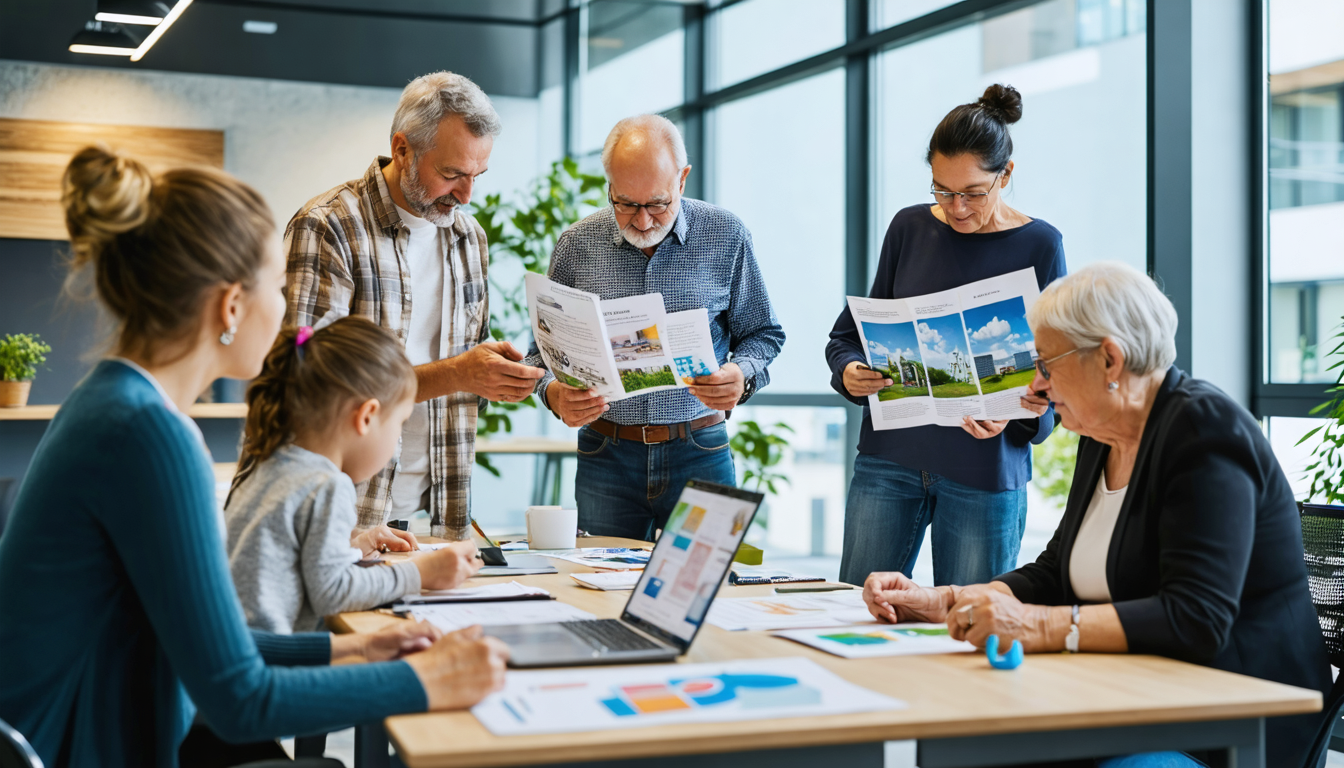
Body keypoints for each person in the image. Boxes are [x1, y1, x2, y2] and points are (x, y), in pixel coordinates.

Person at [0, 146, 509, 767]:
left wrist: (354, 649)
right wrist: (426, 681)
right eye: (277, 286)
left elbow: (216, 643)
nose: (287, 311)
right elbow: (237, 699)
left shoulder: (113, 401)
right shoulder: (149, 435)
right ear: (231, 306)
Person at [862, 263, 1333, 768]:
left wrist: (1038, 626)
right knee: (958, 740)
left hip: (1231, 728)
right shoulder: (1100, 435)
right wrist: (950, 600)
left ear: (1110, 359)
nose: (1036, 385)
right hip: (1135, 697)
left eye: (1047, 365)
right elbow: (1055, 571)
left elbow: (1195, 618)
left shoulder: (1205, 430)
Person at [285, 70, 544, 540]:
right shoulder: (328, 226)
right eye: (452, 174)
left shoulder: (469, 238)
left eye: (477, 176)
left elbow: (470, 353)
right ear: (402, 149)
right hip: (345, 512)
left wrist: (504, 375)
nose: (467, 195)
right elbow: (309, 377)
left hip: (440, 512)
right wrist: (459, 373)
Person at [826, 84, 1065, 586]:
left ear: (1006, 174)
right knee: (855, 606)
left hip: (984, 473)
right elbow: (847, 337)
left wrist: (1015, 415)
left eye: (973, 193)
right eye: (942, 189)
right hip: (888, 462)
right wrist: (850, 371)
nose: (956, 207)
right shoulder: (908, 228)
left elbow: (1061, 372)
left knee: (970, 620)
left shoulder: (1041, 245)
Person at [526, 114, 785, 540]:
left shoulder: (727, 235)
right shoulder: (576, 245)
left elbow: (764, 333)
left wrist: (741, 374)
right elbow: (539, 352)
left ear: (682, 179)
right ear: (609, 186)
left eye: (658, 204)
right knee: (599, 577)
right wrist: (552, 393)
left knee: (703, 575)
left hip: (699, 447)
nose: (643, 221)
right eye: (626, 204)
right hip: (606, 455)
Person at [225, 317, 482, 634]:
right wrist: (420, 574)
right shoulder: (326, 484)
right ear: (366, 417)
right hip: (277, 653)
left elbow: (294, 565)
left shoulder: (269, 463)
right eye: (399, 424)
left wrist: (358, 546)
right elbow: (332, 593)